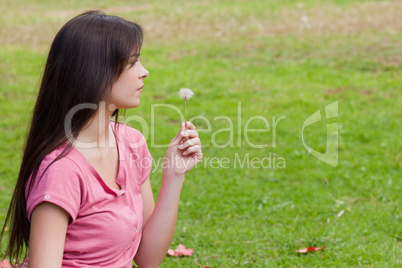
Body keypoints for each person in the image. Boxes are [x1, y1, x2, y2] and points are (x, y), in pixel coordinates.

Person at [0, 10, 203, 268]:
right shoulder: (62, 171)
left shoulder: (131, 142)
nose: (145, 72)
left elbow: (147, 257)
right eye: (133, 62)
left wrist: (174, 175)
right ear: (94, 72)